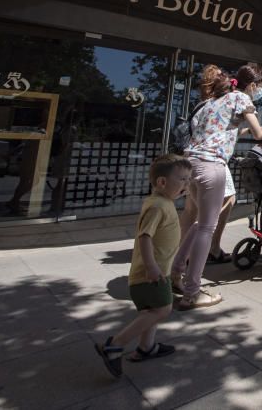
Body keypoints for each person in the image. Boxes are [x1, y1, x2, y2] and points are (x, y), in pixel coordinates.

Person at [171, 63, 262, 309]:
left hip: (190, 162)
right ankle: (192, 292)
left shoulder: (215, 100)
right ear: (254, 85)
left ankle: (175, 274)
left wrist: (243, 129)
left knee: (197, 223)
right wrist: (260, 132)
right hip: (210, 165)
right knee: (206, 228)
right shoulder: (242, 99)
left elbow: (217, 129)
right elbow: (260, 135)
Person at [95, 154, 192, 378]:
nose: (187, 185)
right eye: (183, 180)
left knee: (151, 312)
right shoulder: (158, 206)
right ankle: (115, 345)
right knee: (162, 310)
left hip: (158, 271)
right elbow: (144, 237)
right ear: (162, 182)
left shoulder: (163, 202)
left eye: (189, 180)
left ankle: (146, 347)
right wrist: (151, 267)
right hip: (151, 274)